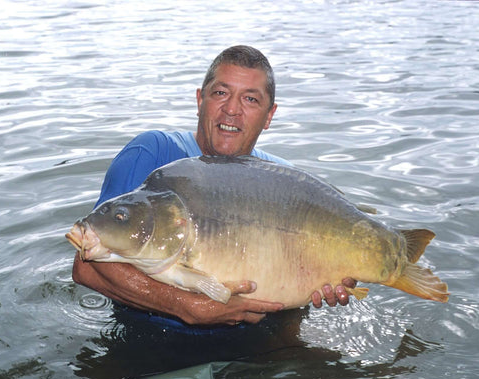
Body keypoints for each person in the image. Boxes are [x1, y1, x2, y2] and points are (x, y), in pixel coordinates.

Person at [72, 45, 356, 327]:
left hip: (256, 346)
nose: (232, 109)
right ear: (200, 100)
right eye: (221, 93)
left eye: (250, 99)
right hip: (150, 342)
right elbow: (87, 268)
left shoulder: (285, 181)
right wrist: (186, 307)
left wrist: (322, 285)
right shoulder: (152, 152)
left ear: (269, 115)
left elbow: (288, 302)